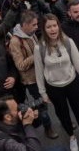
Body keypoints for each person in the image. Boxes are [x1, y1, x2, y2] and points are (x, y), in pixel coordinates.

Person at [35, 14, 79, 151]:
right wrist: (43, 93)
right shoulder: (39, 48)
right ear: (44, 29)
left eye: (55, 25)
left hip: (72, 83)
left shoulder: (68, 42)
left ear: (59, 26)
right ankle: (71, 137)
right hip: (54, 88)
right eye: (48, 27)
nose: (52, 29)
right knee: (62, 115)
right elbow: (39, 72)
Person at [8, 10, 58, 139]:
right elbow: (20, 65)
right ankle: (48, 128)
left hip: (43, 75)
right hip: (32, 81)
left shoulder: (31, 34)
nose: (37, 27)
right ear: (25, 24)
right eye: (34, 25)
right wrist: (37, 52)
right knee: (43, 106)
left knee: (55, 100)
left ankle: (64, 120)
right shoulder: (15, 41)